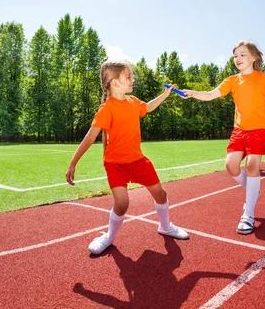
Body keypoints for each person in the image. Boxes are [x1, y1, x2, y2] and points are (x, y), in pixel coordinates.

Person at [66, 59, 189, 255]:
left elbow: (147, 107)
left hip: (138, 161)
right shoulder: (106, 109)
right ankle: (109, 236)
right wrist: (73, 163)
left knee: (161, 195)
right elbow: (90, 137)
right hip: (115, 164)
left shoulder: (133, 102)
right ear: (115, 82)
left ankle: (165, 227)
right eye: (128, 76)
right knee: (122, 204)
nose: (133, 79)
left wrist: (165, 94)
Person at [182, 41, 265, 235]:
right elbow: (210, 95)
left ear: (254, 58)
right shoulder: (232, 80)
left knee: (252, 166)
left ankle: (248, 214)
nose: (238, 59)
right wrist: (192, 93)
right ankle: (253, 190)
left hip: (259, 129)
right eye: (235, 56)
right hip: (239, 130)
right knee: (231, 165)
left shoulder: (264, 78)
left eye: (243, 55)